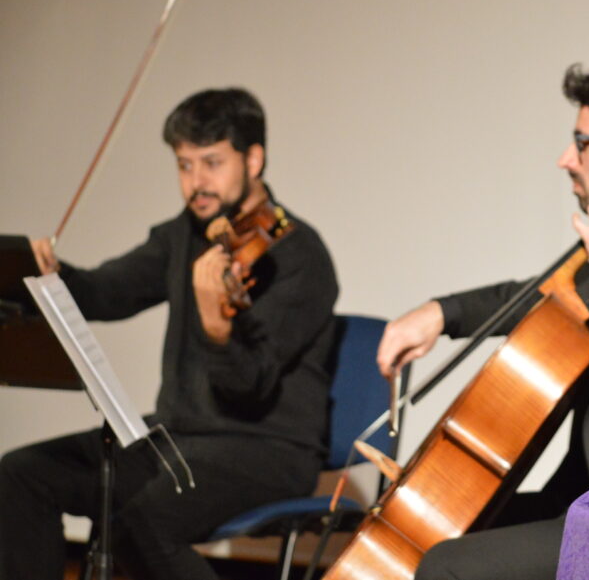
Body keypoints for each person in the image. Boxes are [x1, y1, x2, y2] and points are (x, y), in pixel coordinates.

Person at [0, 88, 339, 580]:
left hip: (266, 447)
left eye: (211, 163)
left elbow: (249, 385)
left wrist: (218, 326)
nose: (196, 182)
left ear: (254, 158)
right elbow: (105, 293)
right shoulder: (185, 234)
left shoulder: (298, 256)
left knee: (141, 520)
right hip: (178, 436)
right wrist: (49, 272)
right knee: (22, 474)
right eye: (184, 165)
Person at [375, 50, 589, 579]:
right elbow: (538, 297)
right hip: (580, 506)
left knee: (447, 569)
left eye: (584, 143)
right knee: (426, 533)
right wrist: (437, 314)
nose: (567, 158)